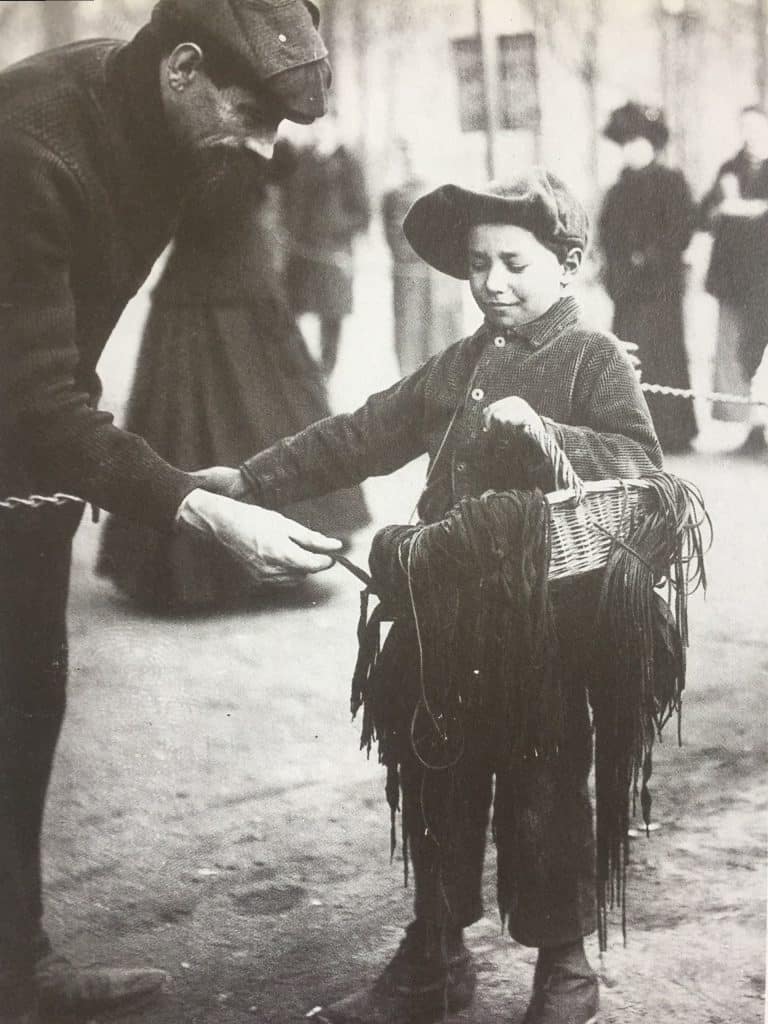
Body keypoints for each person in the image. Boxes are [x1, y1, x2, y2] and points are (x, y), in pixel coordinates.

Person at [199, 169, 662, 1024]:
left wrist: (550, 432)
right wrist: (250, 480)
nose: (493, 282)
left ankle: (565, 965)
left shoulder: (593, 357)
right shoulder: (463, 361)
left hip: (547, 636)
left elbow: (642, 470)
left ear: (567, 263)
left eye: (516, 263)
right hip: (443, 622)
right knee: (437, 784)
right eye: (480, 264)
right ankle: (434, 961)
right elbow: (367, 431)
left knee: (547, 795)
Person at [0, 3, 341, 1021]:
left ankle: (18, 963)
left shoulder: (171, 126)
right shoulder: (32, 149)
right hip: (27, 427)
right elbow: (42, 396)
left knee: (26, 699)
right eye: (250, 114)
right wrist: (194, 508)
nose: (261, 147)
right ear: (185, 69)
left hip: (26, 460)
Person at [96, 148, 370, 612]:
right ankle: (205, 568)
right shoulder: (203, 154)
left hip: (241, 290)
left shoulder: (247, 149)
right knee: (201, 421)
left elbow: (283, 172)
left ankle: (280, 551)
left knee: (266, 409)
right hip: (212, 294)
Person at [599, 101, 697, 453]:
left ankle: (672, 431)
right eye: (625, 144)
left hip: (660, 288)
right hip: (627, 289)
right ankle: (634, 431)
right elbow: (607, 236)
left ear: (652, 145)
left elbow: (682, 228)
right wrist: (617, 268)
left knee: (664, 354)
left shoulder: (671, 182)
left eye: (637, 143)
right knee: (630, 355)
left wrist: (651, 258)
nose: (631, 151)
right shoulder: (617, 190)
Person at [700, 104, 768, 454]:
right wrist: (725, 206)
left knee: (762, 350)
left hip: (765, 274)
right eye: (746, 128)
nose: (752, 135)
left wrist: (745, 208)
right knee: (735, 351)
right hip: (735, 277)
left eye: (758, 128)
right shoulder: (729, 168)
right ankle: (748, 427)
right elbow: (706, 212)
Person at [285, 111, 371, 375]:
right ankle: (297, 372)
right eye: (316, 126)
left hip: (334, 255)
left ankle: (326, 373)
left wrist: (337, 227)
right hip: (304, 253)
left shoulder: (348, 163)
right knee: (295, 311)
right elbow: (290, 202)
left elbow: (363, 213)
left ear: (337, 128)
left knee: (331, 317)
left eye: (325, 126)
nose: (320, 131)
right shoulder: (304, 161)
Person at [382, 139, 463, 376]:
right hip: (412, 282)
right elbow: (398, 241)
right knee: (411, 344)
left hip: (442, 285)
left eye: (417, 152)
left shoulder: (448, 193)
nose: (412, 160)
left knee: (444, 342)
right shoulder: (395, 196)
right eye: (406, 154)